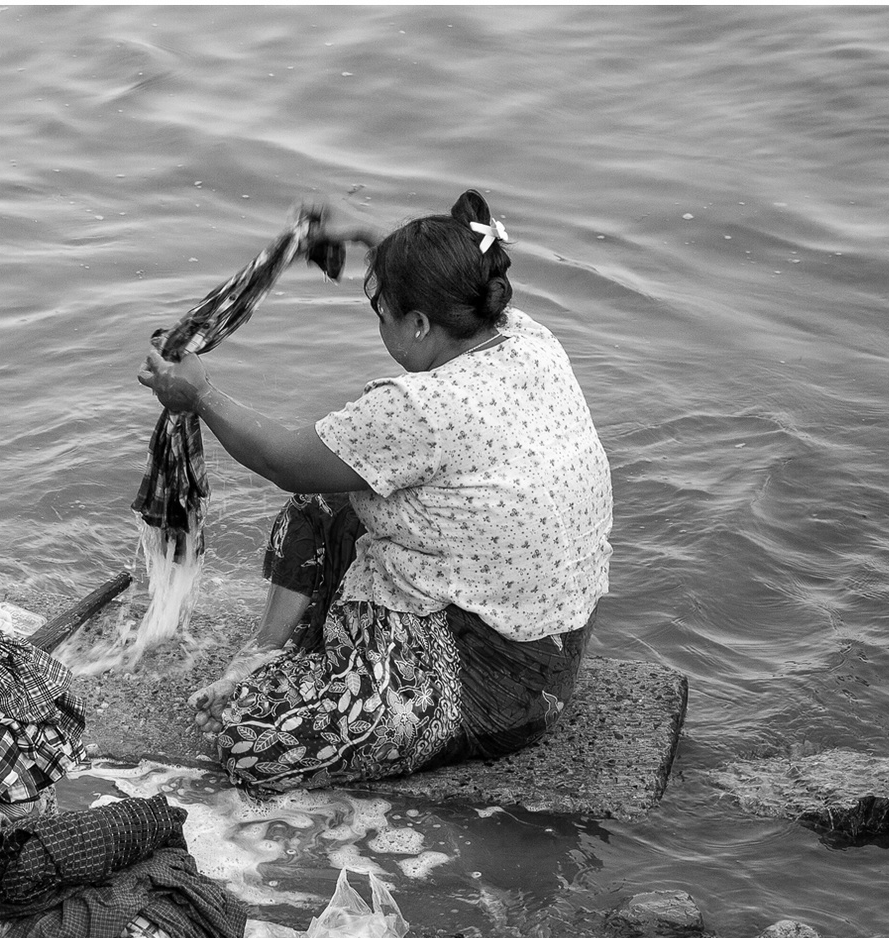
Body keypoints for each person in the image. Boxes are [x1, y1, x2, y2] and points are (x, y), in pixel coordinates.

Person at [137, 189, 612, 793]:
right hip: (551, 654)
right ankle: (264, 650)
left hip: (488, 692)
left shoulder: (420, 408)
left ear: (417, 325)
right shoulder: (525, 337)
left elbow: (286, 461)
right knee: (333, 492)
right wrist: (364, 233)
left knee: (248, 738)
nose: (380, 320)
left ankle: (307, 681)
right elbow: (454, 270)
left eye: (382, 311)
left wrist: (198, 394)